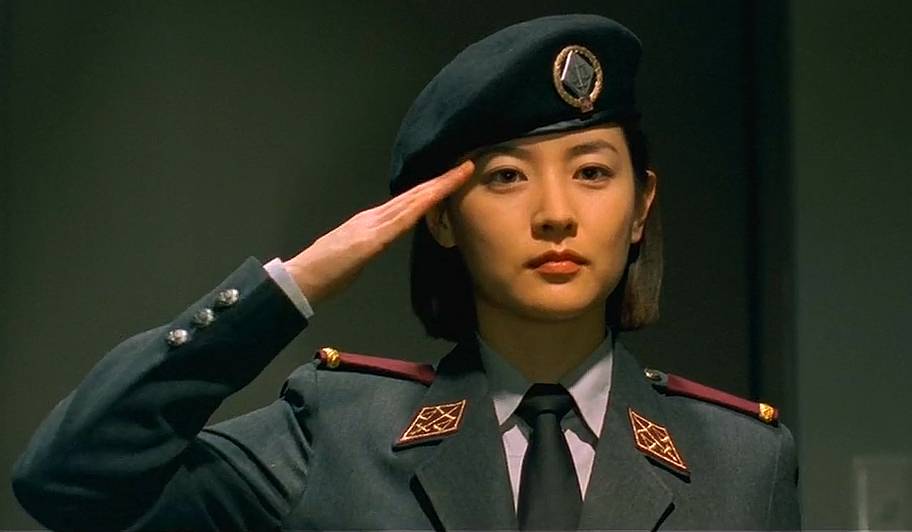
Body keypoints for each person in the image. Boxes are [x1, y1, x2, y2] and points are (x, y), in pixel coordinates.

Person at [12, 14, 800, 531]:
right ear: (443, 216)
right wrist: (290, 287)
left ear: (640, 206)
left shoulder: (742, 461)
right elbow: (69, 482)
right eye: (506, 177)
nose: (556, 213)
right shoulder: (337, 435)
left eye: (591, 172)